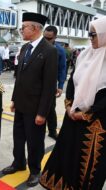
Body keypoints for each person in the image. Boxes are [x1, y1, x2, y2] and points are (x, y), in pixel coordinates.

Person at [40, 16, 106, 190]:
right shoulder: (85, 56)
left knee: (87, 162)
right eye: (89, 34)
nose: (90, 38)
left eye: (94, 35)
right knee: (67, 154)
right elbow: (72, 81)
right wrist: (69, 105)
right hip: (73, 116)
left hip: (96, 123)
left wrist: (85, 114)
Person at [2, 12, 58, 187]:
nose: (21, 30)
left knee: (34, 142)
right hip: (20, 104)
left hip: (35, 108)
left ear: (34, 28)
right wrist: (13, 99)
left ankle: (35, 170)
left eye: (23, 27)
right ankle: (18, 163)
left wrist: (42, 113)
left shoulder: (50, 51)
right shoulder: (25, 48)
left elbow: (49, 86)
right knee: (18, 137)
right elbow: (19, 77)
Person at [44, 25, 66, 140]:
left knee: (50, 110)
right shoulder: (38, 47)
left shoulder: (60, 51)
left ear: (55, 37)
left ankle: (52, 131)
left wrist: (60, 86)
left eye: (49, 39)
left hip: (51, 86)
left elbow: (62, 69)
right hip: (36, 85)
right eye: (44, 38)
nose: (46, 41)